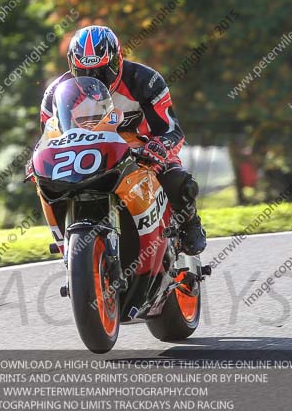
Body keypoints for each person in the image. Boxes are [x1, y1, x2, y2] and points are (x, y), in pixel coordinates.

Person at [40, 25, 207, 255]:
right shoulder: (56, 94)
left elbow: (171, 129)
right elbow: (48, 137)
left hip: (144, 151)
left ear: (118, 60)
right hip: (89, 157)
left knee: (179, 182)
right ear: (72, 66)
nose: (95, 79)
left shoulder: (144, 81)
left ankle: (190, 223)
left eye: (102, 71)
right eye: (85, 73)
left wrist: (160, 146)